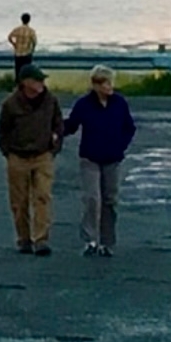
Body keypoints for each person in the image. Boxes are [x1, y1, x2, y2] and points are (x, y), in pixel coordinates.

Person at [61, 66, 137, 257]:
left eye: (111, 82)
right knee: (92, 199)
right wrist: (53, 130)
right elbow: (71, 125)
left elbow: (129, 127)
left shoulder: (119, 103)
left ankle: (107, 241)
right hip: (90, 158)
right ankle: (90, 240)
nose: (111, 86)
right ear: (96, 85)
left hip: (113, 159)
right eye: (106, 83)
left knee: (110, 200)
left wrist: (121, 145)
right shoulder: (84, 105)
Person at [0, 64, 63, 255]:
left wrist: (54, 149)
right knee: (19, 202)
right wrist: (8, 153)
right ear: (25, 83)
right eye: (37, 80)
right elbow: (2, 130)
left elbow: (58, 125)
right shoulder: (10, 104)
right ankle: (23, 239)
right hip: (17, 157)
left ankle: (41, 239)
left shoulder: (50, 101)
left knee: (43, 197)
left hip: (43, 156)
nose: (41, 83)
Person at [7, 13, 38, 80]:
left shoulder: (17, 29)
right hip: (27, 54)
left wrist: (14, 44)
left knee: (18, 71)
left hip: (18, 53)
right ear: (29, 20)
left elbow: (9, 37)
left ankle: (18, 86)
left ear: (21, 20)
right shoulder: (31, 31)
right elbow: (34, 42)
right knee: (27, 73)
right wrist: (32, 49)